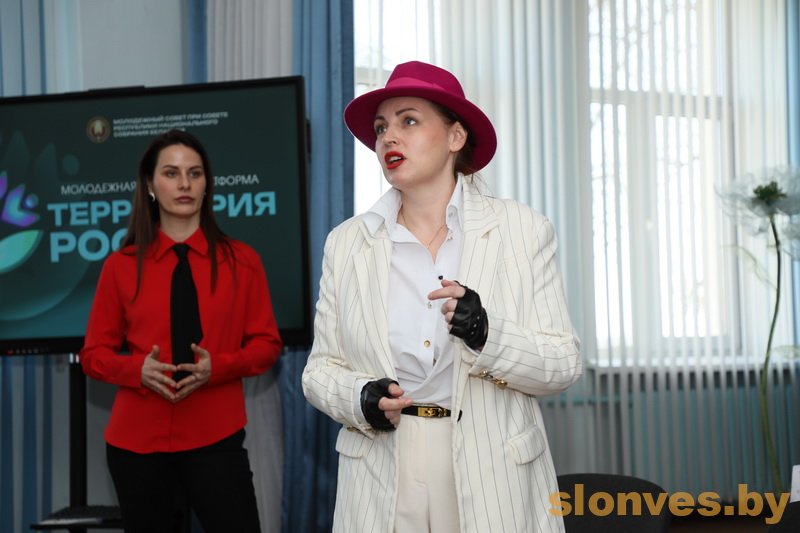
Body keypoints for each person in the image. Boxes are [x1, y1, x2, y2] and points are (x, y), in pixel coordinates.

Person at [302, 60, 583, 533]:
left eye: (408, 121)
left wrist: (488, 334)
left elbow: (563, 362)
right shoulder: (347, 243)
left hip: (490, 465)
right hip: (382, 466)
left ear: (455, 137)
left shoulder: (522, 230)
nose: (389, 137)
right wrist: (360, 397)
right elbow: (319, 371)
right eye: (381, 127)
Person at [80, 129, 283, 533]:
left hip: (216, 439)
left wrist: (217, 368)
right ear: (150, 186)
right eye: (171, 173)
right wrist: (136, 370)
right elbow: (93, 356)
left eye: (195, 173)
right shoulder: (120, 266)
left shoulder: (242, 261)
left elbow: (267, 345)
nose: (185, 184)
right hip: (136, 447)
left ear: (207, 185)